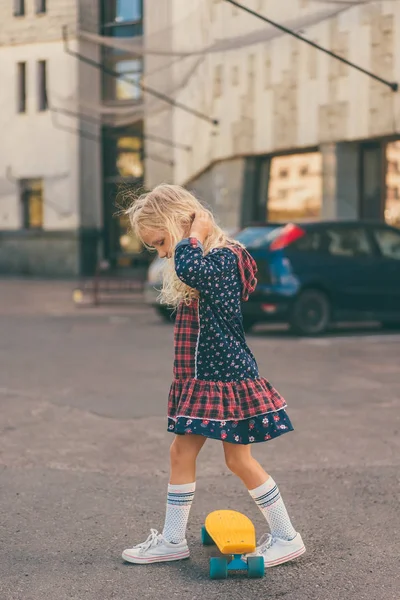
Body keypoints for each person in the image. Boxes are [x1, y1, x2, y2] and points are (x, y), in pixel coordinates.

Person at [122, 184, 305, 567]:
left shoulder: (225, 258)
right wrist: (191, 237)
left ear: (180, 224)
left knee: (239, 461)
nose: (162, 253)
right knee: (181, 452)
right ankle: (173, 539)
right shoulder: (208, 259)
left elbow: (191, 267)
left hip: (223, 378)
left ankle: (287, 536)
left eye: (160, 242)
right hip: (202, 378)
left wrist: (194, 234)